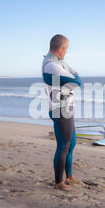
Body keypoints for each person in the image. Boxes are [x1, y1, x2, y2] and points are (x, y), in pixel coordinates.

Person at [42, 34, 83, 191]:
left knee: (71, 144)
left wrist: (70, 77)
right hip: (60, 109)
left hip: (65, 106)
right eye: (66, 50)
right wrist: (72, 78)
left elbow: (76, 76)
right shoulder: (52, 66)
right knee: (63, 146)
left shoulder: (58, 63)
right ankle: (59, 182)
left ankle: (70, 177)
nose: (66, 53)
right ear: (60, 49)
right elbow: (77, 81)